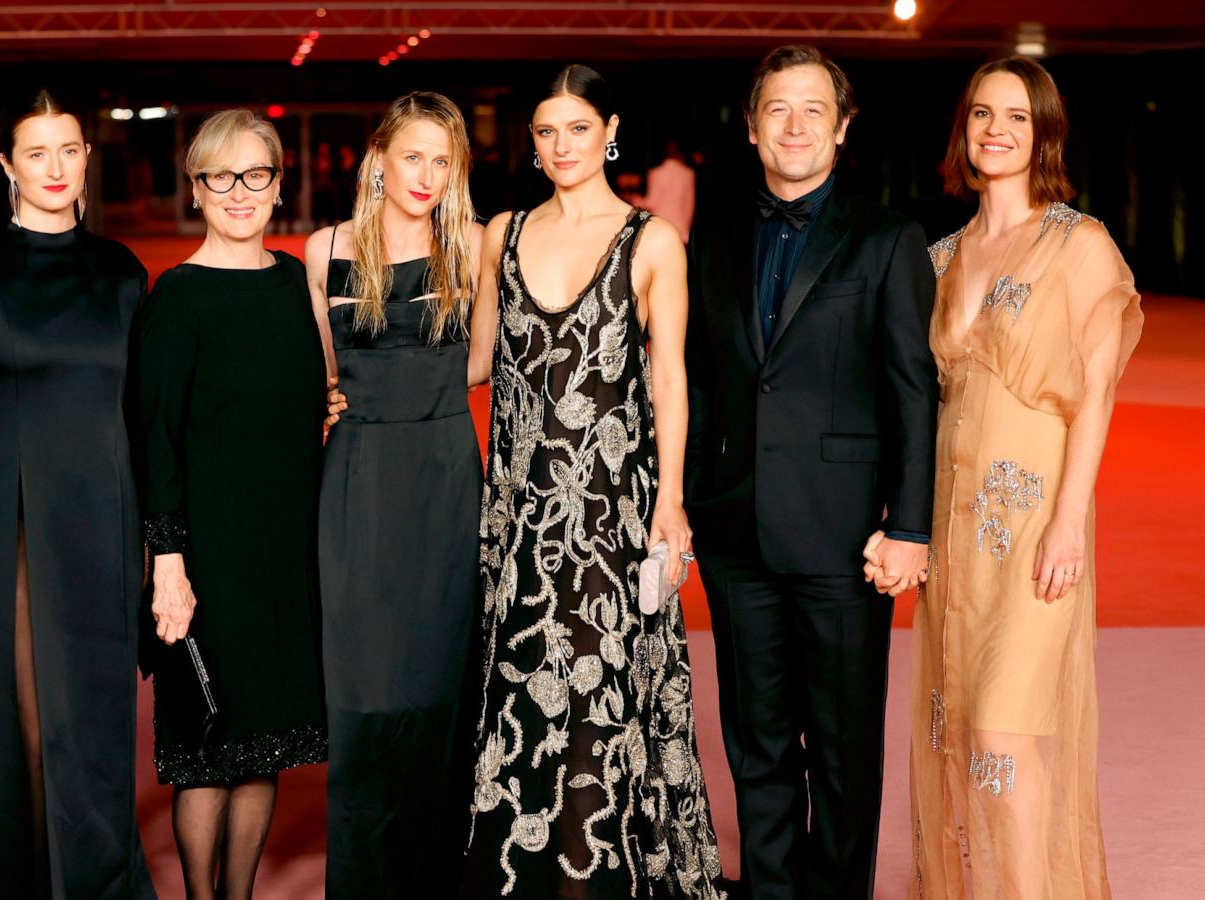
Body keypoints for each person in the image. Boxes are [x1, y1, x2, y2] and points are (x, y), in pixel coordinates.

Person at [462, 64, 725, 899]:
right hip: (517, 509)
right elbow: (471, 363)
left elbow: (670, 381)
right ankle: (524, 874)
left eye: (577, 128)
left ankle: (597, 877)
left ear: (609, 131)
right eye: (545, 131)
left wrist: (671, 503)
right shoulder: (497, 233)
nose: (561, 145)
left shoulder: (651, 241)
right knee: (519, 684)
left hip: (613, 509)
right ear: (531, 144)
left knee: (601, 682)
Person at [681, 45, 938, 899]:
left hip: (843, 539)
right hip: (736, 533)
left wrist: (909, 526)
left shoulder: (889, 238)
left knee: (839, 752)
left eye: (813, 109)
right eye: (777, 110)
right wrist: (689, 497)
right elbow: (702, 379)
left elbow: (913, 392)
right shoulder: (711, 237)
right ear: (752, 128)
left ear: (842, 126)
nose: (795, 126)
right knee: (755, 747)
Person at [896, 56, 1142, 900]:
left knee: (1004, 733)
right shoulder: (940, 256)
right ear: (962, 130)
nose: (995, 130)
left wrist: (1071, 520)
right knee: (961, 731)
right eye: (980, 115)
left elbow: (1096, 399)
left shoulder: (1080, 245)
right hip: (954, 529)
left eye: (1015, 117)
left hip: (1034, 525)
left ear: (1043, 135)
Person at [0, 89, 158, 900]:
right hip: (12, 519)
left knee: (93, 713)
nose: (55, 168)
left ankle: (94, 879)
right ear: (7, 167)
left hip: (107, 514)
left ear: (85, 160)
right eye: (36, 153)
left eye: (68, 150)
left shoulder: (123, 274)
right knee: (20, 713)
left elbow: (152, 410)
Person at [137, 108, 327, 900]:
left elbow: (317, 391)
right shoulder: (175, 297)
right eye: (221, 175)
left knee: (263, 742)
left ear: (279, 185)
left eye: (256, 174)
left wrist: (336, 400)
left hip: (287, 550)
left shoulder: (294, 283)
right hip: (206, 557)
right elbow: (155, 441)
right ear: (197, 188)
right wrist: (169, 564)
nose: (239, 191)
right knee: (206, 744)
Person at [303, 91, 484, 898]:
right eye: (412, 155)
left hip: (445, 475)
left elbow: (486, 365)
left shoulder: (472, 247)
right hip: (360, 482)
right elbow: (320, 378)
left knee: (442, 688)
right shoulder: (323, 251)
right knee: (365, 692)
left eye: (443, 161)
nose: (427, 175)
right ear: (377, 157)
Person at [642, 140, 696, 242]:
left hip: (661, 224)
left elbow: (652, 202)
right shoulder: (688, 174)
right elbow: (690, 205)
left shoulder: (656, 173)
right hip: (681, 227)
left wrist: (634, 199)